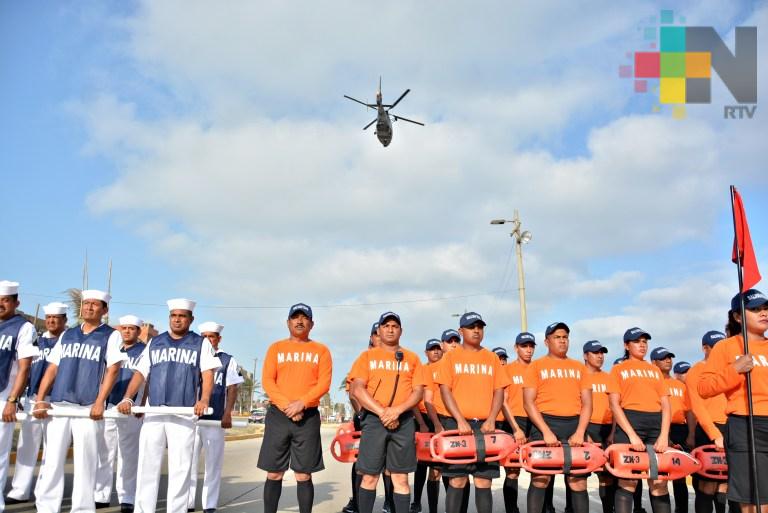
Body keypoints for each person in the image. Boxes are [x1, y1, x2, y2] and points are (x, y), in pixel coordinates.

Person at [117, 298, 220, 513]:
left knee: (180, 469)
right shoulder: (155, 342)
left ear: (191, 319)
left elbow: (208, 373)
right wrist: (128, 397)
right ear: (169, 317)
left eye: (182, 316)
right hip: (154, 412)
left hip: (183, 413)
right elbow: (141, 373)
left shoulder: (200, 343)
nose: (177, 319)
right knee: (147, 466)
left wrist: (204, 400)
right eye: (174, 315)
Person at [33, 289, 126, 513]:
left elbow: (113, 369)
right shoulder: (68, 334)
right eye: (86, 303)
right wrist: (40, 399)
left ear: (105, 310)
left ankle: (83, 509)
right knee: (52, 461)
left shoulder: (110, 335)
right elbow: (52, 368)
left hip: (87, 408)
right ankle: (46, 508)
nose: (89, 307)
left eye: (95, 304)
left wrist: (100, 401)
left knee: (86, 463)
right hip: (59, 405)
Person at [258, 303, 333, 513]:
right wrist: (287, 406)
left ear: (312, 324)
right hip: (278, 416)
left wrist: (302, 403)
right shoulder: (276, 348)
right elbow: (268, 381)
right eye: (295, 317)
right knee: (274, 473)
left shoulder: (321, 351)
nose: (299, 321)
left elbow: (324, 384)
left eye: (304, 318)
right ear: (288, 322)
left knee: (303, 474)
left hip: (307, 417)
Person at [699, 289, 768, 511]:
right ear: (738, 316)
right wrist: (734, 370)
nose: (763, 313)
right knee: (752, 499)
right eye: (755, 309)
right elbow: (704, 388)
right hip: (745, 424)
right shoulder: (726, 347)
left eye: (765, 308)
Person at [435, 312, 511, 513]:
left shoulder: (491, 358)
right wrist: (460, 420)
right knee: (457, 480)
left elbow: (499, 390)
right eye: (471, 327)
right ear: (461, 331)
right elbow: (445, 390)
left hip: (486, 426)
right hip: (457, 425)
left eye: (480, 327)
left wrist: (492, 419)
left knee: (484, 481)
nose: (476, 331)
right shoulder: (450, 357)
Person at [350, 311, 424, 513]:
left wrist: (397, 411)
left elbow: (418, 392)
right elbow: (357, 389)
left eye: (395, 326)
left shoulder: (412, 358)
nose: (390, 330)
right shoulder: (366, 357)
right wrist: (384, 413)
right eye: (386, 326)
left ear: (401, 331)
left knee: (401, 478)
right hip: (374, 421)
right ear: (379, 330)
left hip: (404, 421)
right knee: (369, 476)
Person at [522, 322, 591, 513]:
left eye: (565, 337)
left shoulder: (579, 367)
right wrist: (545, 431)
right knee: (541, 478)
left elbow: (587, 403)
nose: (562, 341)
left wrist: (580, 432)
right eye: (557, 337)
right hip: (545, 424)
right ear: (547, 342)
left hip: (574, 425)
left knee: (578, 481)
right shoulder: (536, 366)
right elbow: (528, 402)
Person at [6, 301, 66, 504]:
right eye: (48, 318)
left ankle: (43, 492)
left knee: (52, 449)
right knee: (27, 446)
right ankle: (19, 491)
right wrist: (18, 396)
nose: (51, 321)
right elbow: (25, 370)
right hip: (32, 399)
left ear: (64, 320)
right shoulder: (36, 342)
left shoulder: (67, 342)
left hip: (56, 402)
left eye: (55, 318)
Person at [608, 327, 671, 513]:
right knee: (628, 481)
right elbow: (614, 405)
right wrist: (632, 435)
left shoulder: (655, 370)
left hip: (655, 424)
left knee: (659, 481)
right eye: (637, 341)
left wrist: (664, 435)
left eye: (644, 341)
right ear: (626, 345)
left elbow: (666, 405)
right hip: (630, 422)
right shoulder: (618, 369)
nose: (642, 345)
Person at [188, 321, 244, 513]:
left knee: (213, 465)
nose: (207, 340)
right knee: (187, 464)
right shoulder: (192, 356)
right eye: (203, 336)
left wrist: (227, 413)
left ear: (218, 339)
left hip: (215, 420)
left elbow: (232, 388)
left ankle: (209, 505)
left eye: (211, 336)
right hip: (191, 419)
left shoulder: (227, 360)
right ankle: (187, 503)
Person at [94, 315, 147, 512]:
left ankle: (127, 497)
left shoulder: (144, 351)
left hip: (132, 408)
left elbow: (147, 379)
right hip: (109, 406)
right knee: (105, 452)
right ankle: (101, 495)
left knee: (128, 455)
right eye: (124, 328)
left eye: (131, 328)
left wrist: (142, 404)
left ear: (138, 331)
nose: (127, 331)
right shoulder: (113, 348)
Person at [0, 281, 38, 511]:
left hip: (3, 396)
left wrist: (12, 401)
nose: (0, 304)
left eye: (5, 300)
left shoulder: (23, 328)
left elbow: (24, 368)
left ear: (16, 303)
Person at [687, 330, 730, 513]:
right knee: (708, 484)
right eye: (716, 347)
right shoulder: (696, 371)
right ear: (705, 348)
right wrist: (715, 435)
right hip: (708, 430)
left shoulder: (730, 369)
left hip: (731, 427)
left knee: (725, 484)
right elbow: (697, 407)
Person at [650, 347, 694, 513]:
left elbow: (689, 411)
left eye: (669, 357)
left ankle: (681, 510)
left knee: (680, 475)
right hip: (659, 429)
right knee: (659, 476)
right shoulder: (652, 383)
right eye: (663, 358)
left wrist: (691, 433)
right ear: (654, 362)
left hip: (680, 430)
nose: (668, 360)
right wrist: (663, 434)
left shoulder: (680, 386)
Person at [342, 323, 380, 513]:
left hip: (389, 417)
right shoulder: (363, 358)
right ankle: (357, 502)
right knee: (361, 463)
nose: (379, 336)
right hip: (365, 418)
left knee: (389, 466)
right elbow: (352, 392)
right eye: (376, 333)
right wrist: (361, 414)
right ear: (372, 337)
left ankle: (389, 503)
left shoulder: (397, 357)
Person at [500, 332, 536, 513]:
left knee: (541, 470)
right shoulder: (507, 370)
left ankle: (546, 507)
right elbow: (503, 400)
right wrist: (515, 428)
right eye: (524, 346)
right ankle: (512, 509)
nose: (528, 350)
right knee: (513, 470)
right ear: (516, 348)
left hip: (536, 422)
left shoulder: (538, 368)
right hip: (514, 421)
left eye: (531, 346)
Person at [583, 340, 616, 513]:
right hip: (586, 428)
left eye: (602, 353)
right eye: (596, 353)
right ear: (585, 356)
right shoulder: (579, 375)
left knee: (607, 476)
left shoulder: (609, 377)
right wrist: (583, 433)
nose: (600, 356)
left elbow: (617, 407)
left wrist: (613, 432)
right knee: (578, 476)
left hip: (606, 430)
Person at [410, 339, 443, 513]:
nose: (436, 352)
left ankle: (434, 508)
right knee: (422, 464)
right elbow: (414, 400)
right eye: (432, 349)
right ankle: (416, 501)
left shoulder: (447, 368)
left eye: (438, 348)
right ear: (426, 352)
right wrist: (422, 423)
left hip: (442, 418)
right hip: (424, 420)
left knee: (439, 465)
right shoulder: (421, 370)